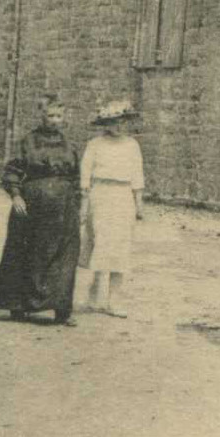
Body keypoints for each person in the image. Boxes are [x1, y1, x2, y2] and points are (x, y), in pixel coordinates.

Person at [0, 95, 81, 325]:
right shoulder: (27, 142)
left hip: (63, 207)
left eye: (58, 116)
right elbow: (12, 170)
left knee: (64, 256)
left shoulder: (69, 145)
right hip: (32, 206)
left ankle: (62, 310)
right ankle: (18, 306)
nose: (54, 120)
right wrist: (16, 195)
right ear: (41, 116)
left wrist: (78, 204)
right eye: (50, 115)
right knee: (24, 252)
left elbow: (76, 177)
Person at [78, 99, 145, 317]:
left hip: (122, 196)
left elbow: (137, 174)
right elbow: (85, 173)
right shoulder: (95, 144)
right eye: (113, 122)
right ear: (105, 123)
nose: (118, 126)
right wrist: (85, 203)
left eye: (122, 122)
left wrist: (139, 202)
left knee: (120, 247)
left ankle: (114, 299)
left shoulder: (132, 145)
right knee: (101, 243)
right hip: (101, 195)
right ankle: (95, 295)